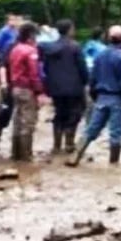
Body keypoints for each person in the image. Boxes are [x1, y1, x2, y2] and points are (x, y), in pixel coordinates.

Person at [68, 25, 121, 167]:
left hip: (101, 97)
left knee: (92, 128)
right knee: (116, 132)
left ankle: (75, 156)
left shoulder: (100, 55)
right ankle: (113, 164)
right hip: (117, 98)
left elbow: (93, 79)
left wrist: (94, 95)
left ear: (109, 38)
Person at [40, 19, 88, 154]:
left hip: (55, 88)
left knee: (59, 114)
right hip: (74, 88)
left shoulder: (49, 48)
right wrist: (85, 82)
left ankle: (56, 145)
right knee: (75, 114)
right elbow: (82, 68)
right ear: (69, 30)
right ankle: (69, 143)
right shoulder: (75, 47)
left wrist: (48, 85)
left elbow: (46, 68)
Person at [7, 23, 47, 161]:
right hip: (27, 89)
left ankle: (15, 153)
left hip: (15, 88)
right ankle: (26, 156)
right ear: (31, 35)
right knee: (28, 122)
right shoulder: (31, 51)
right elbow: (34, 74)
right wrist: (39, 92)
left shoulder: (15, 49)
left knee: (17, 120)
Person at [0, 14, 23, 157]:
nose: (16, 22)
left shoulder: (32, 46)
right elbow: (2, 64)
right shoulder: (9, 40)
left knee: (22, 118)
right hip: (9, 82)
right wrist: (4, 82)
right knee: (4, 113)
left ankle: (18, 150)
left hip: (23, 85)